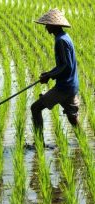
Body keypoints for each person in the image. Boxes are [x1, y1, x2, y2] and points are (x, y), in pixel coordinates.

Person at [31, 8, 79, 142]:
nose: (46, 27)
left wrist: (49, 76)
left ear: (54, 25)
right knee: (72, 117)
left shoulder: (60, 41)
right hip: (71, 85)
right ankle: (83, 143)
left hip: (64, 87)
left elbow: (66, 66)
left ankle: (39, 143)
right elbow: (63, 65)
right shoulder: (64, 37)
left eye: (47, 24)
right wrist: (49, 73)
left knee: (35, 108)